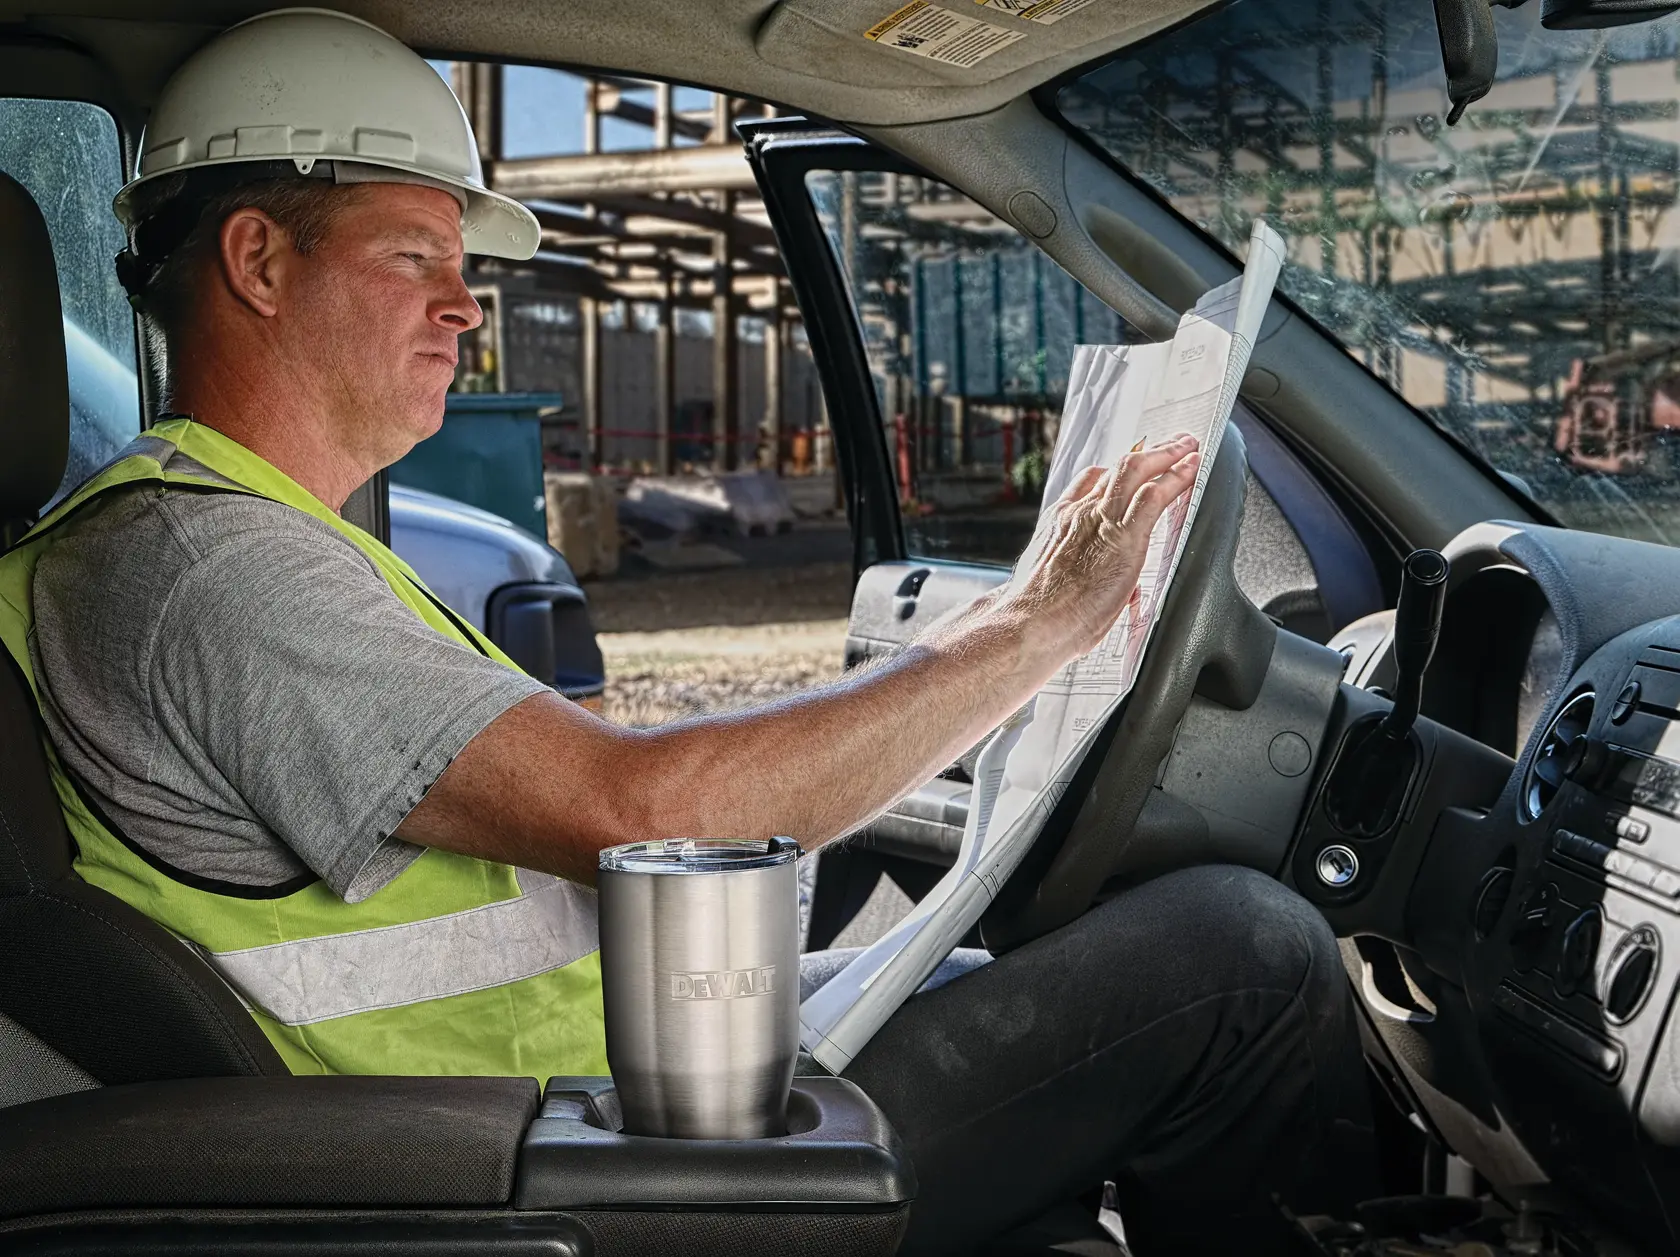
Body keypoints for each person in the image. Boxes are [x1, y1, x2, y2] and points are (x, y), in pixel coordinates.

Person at [0, 10, 1375, 1253]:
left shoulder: (221, 539)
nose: (465, 302)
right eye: (416, 253)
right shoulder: (205, 569)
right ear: (256, 260)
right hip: (527, 1170)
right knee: (1242, 950)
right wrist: (1035, 623)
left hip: (565, 1107)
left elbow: (567, 790)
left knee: (1004, 979)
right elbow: (631, 806)